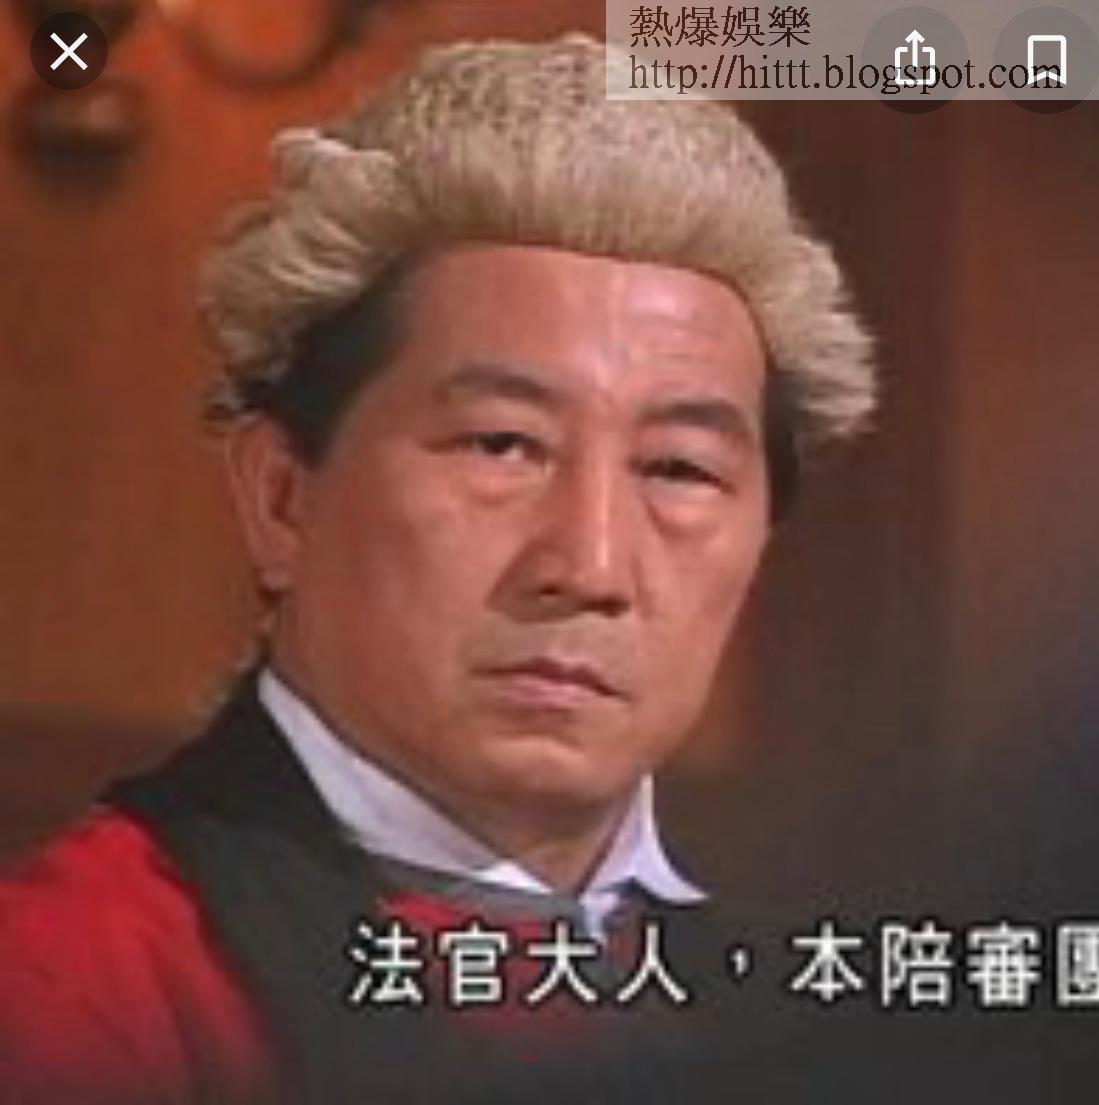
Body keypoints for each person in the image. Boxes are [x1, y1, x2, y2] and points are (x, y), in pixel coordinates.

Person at [0, 34, 873, 1105]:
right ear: (281, 497)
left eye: (679, 469)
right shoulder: (76, 986)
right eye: (502, 445)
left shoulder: (814, 1016)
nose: (591, 564)